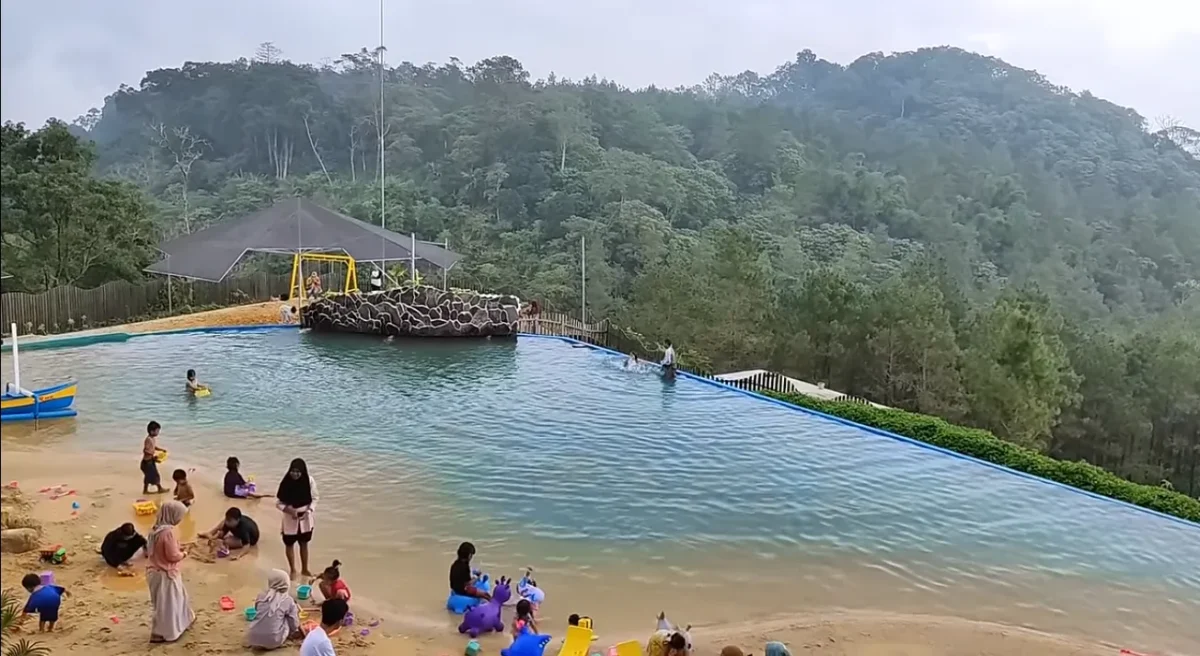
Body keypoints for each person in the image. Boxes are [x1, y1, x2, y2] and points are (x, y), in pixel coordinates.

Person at [147, 501, 194, 643]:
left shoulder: (154, 530)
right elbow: (172, 556)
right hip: (165, 573)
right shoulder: (167, 533)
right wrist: (184, 553)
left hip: (153, 571)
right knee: (170, 604)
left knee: (163, 603)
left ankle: (169, 628)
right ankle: (164, 633)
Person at [277, 458, 319, 578]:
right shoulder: (286, 483)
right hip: (290, 519)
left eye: (298, 472)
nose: (295, 474)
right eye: (293, 471)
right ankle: (293, 570)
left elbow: (315, 498)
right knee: (289, 544)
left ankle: (305, 569)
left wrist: (309, 511)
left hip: (305, 518)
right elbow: (279, 503)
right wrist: (289, 510)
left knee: (304, 544)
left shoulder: (309, 481)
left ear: (302, 471)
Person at [246, 569, 302, 650]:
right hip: (273, 641)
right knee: (287, 618)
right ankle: (276, 638)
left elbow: (257, 609)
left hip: (253, 638)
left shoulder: (261, 595)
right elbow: (294, 624)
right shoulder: (288, 600)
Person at [141, 421, 168, 495]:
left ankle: (149, 490)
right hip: (147, 462)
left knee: (150, 476)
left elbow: (153, 447)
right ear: (152, 431)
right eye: (157, 431)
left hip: (150, 461)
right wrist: (153, 456)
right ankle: (158, 489)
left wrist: (161, 450)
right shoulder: (148, 439)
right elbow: (146, 450)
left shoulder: (152, 439)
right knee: (154, 475)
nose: (158, 433)